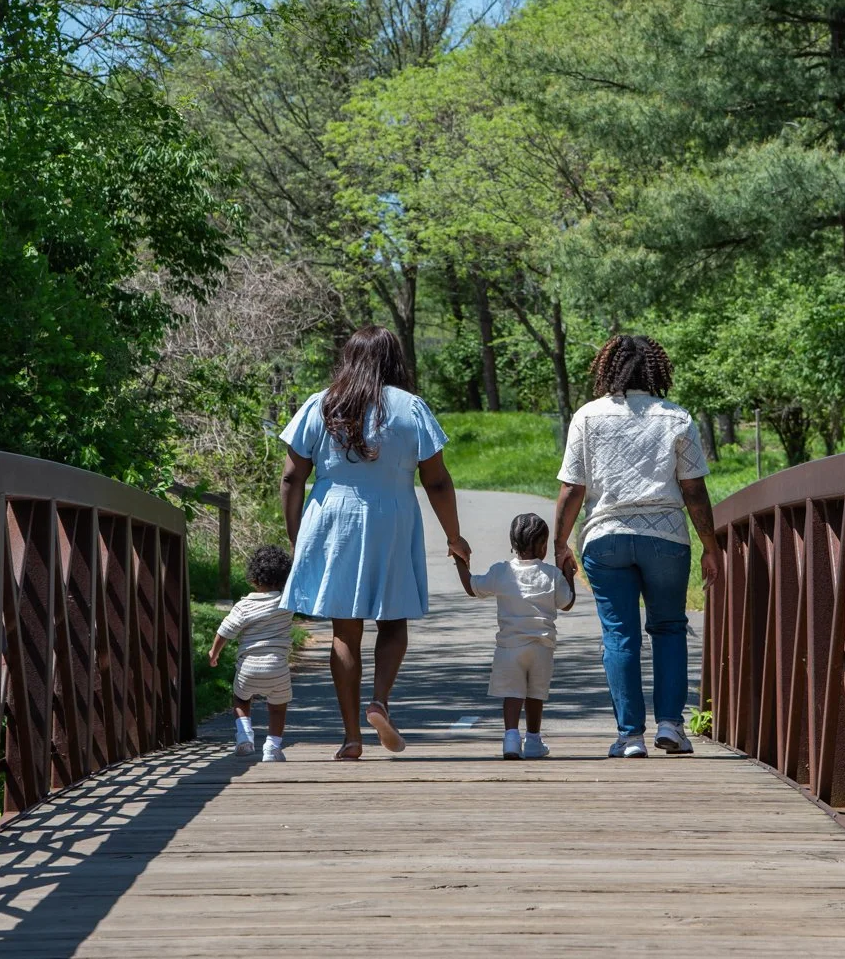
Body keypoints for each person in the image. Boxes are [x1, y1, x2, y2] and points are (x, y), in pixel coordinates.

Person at [279, 325, 471, 761]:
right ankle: (380, 700)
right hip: (393, 517)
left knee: (344, 631)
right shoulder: (411, 408)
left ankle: (350, 737)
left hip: (332, 519)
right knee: (393, 616)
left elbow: (292, 476)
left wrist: (298, 539)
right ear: (394, 360)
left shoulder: (321, 403)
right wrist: (454, 537)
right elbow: (436, 480)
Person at [554, 334, 719, 760]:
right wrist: (711, 546)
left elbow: (573, 489)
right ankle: (670, 726)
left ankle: (630, 737)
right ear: (655, 372)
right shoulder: (676, 418)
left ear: (609, 370)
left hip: (605, 539)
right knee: (668, 628)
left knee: (619, 633)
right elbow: (694, 490)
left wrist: (559, 544)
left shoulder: (587, 417)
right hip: (665, 538)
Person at [453, 512, 574, 760]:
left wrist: (459, 560)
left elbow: (472, 587)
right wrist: (569, 572)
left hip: (509, 648)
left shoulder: (501, 571)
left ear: (512, 545)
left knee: (513, 693)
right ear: (542, 547)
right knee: (535, 694)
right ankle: (533, 740)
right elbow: (566, 603)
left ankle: (510, 738)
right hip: (542, 647)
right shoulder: (551, 574)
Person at [209, 544, 296, 762]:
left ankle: (244, 737)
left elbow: (225, 631)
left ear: (253, 579)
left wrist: (214, 652)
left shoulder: (244, 605)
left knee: (240, 698)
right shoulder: (287, 602)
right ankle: (272, 747)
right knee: (277, 707)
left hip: (248, 667)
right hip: (277, 667)